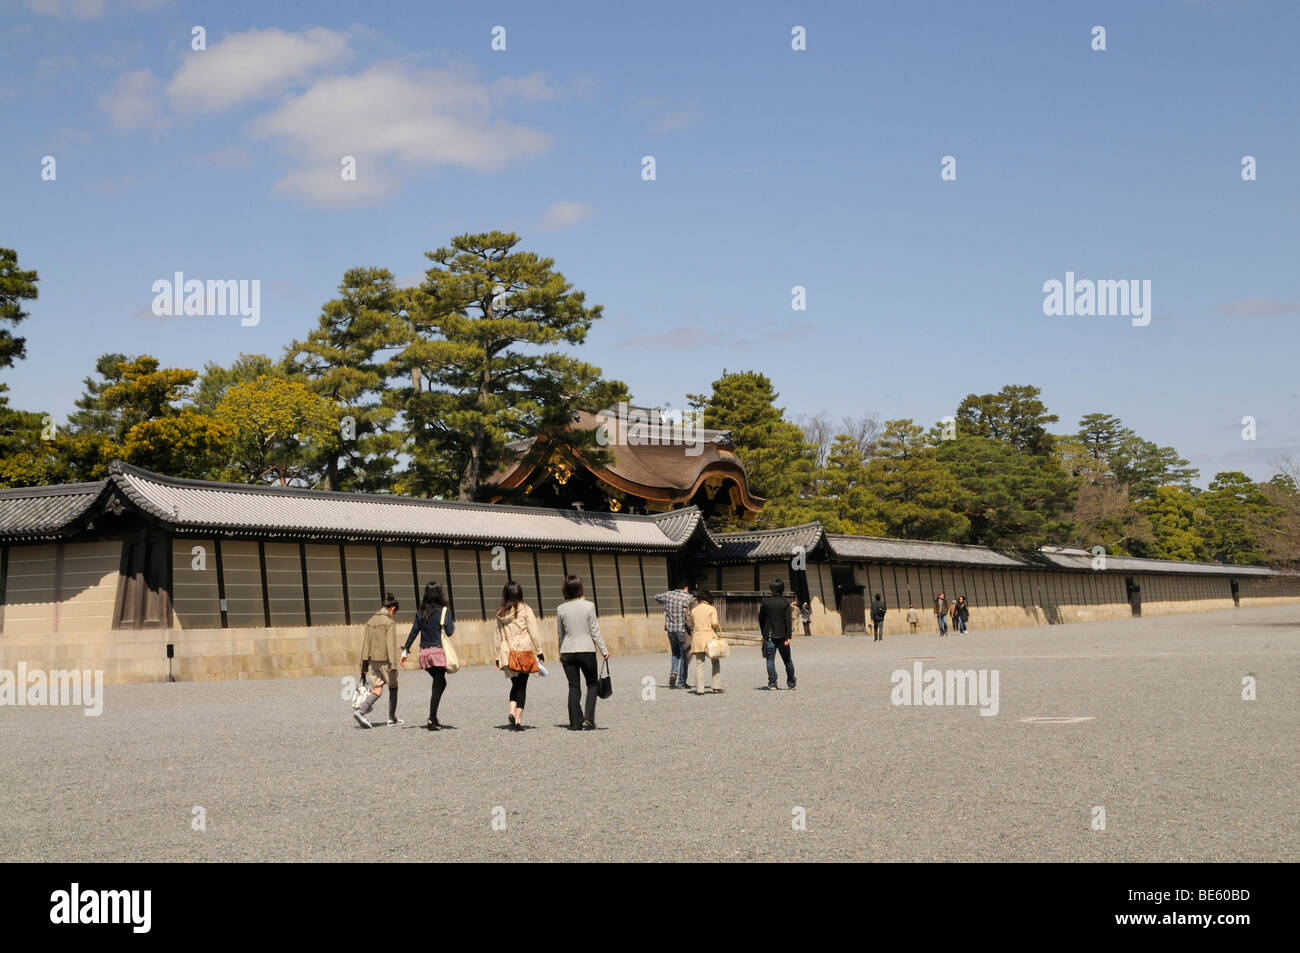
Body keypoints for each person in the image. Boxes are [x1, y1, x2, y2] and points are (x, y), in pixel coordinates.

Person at [556, 574, 608, 730]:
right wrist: (604, 650)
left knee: (573, 687)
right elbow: (595, 631)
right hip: (586, 650)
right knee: (592, 684)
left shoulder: (561, 609)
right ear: (580, 588)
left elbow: (560, 634)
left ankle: (575, 723)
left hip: (567, 651)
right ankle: (589, 718)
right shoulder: (589, 606)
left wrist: (560, 652)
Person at [401, 581, 454, 731]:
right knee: (438, 685)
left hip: (424, 654)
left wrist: (405, 651)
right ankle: (431, 719)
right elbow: (450, 631)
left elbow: (413, 632)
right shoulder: (444, 611)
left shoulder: (420, 612)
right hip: (438, 653)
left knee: (441, 683)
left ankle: (434, 717)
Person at [495, 580, 543, 731]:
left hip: (507, 652)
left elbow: (497, 636)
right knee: (522, 686)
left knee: (515, 684)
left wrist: (497, 656)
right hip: (523, 650)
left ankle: (511, 711)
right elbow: (533, 631)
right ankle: (517, 720)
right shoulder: (525, 609)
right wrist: (539, 650)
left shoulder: (501, 613)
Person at [354, 593, 402, 728]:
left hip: (372, 661)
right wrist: (393, 664)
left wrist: (363, 665)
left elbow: (365, 644)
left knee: (377, 689)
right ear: (392, 609)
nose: (395, 615)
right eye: (395, 612)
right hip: (386, 661)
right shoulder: (389, 622)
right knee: (393, 686)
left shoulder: (371, 621)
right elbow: (390, 645)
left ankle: (361, 711)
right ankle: (392, 718)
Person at [654, 581, 696, 689]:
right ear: (686, 588)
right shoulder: (688, 597)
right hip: (682, 630)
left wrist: (665, 604)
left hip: (670, 629)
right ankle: (681, 682)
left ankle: (673, 672)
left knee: (675, 653)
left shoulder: (668, 595)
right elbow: (695, 608)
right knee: (684, 656)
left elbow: (656, 597)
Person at [758, 578, 796, 691]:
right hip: (782, 636)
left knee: (770, 660)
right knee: (787, 660)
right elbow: (788, 621)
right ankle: (791, 682)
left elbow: (761, 619)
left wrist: (763, 632)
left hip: (769, 635)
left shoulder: (766, 602)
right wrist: (789, 636)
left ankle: (772, 683)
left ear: (771, 589)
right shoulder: (785, 603)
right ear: (782, 589)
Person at [688, 590, 723, 695]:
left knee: (699, 664)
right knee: (715, 662)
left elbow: (691, 625)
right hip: (710, 637)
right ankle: (716, 686)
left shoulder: (694, 610)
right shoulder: (711, 609)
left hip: (698, 638)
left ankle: (700, 689)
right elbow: (714, 623)